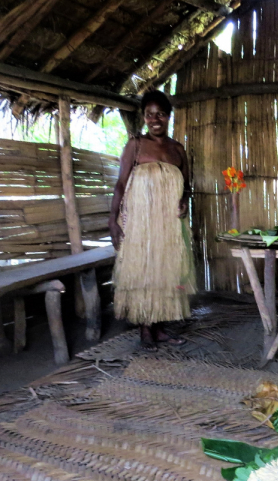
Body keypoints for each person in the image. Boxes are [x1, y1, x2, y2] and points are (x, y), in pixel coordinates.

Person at [109, 90, 196, 351]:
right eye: (149, 114)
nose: (154, 119)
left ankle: (159, 329)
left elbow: (187, 187)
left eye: (160, 114)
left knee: (164, 271)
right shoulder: (135, 145)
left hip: (168, 224)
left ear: (168, 116)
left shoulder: (177, 149)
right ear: (144, 118)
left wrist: (184, 202)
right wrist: (112, 221)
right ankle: (145, 330)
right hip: (141, 223)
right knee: (145, 270)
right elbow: (121, 185)